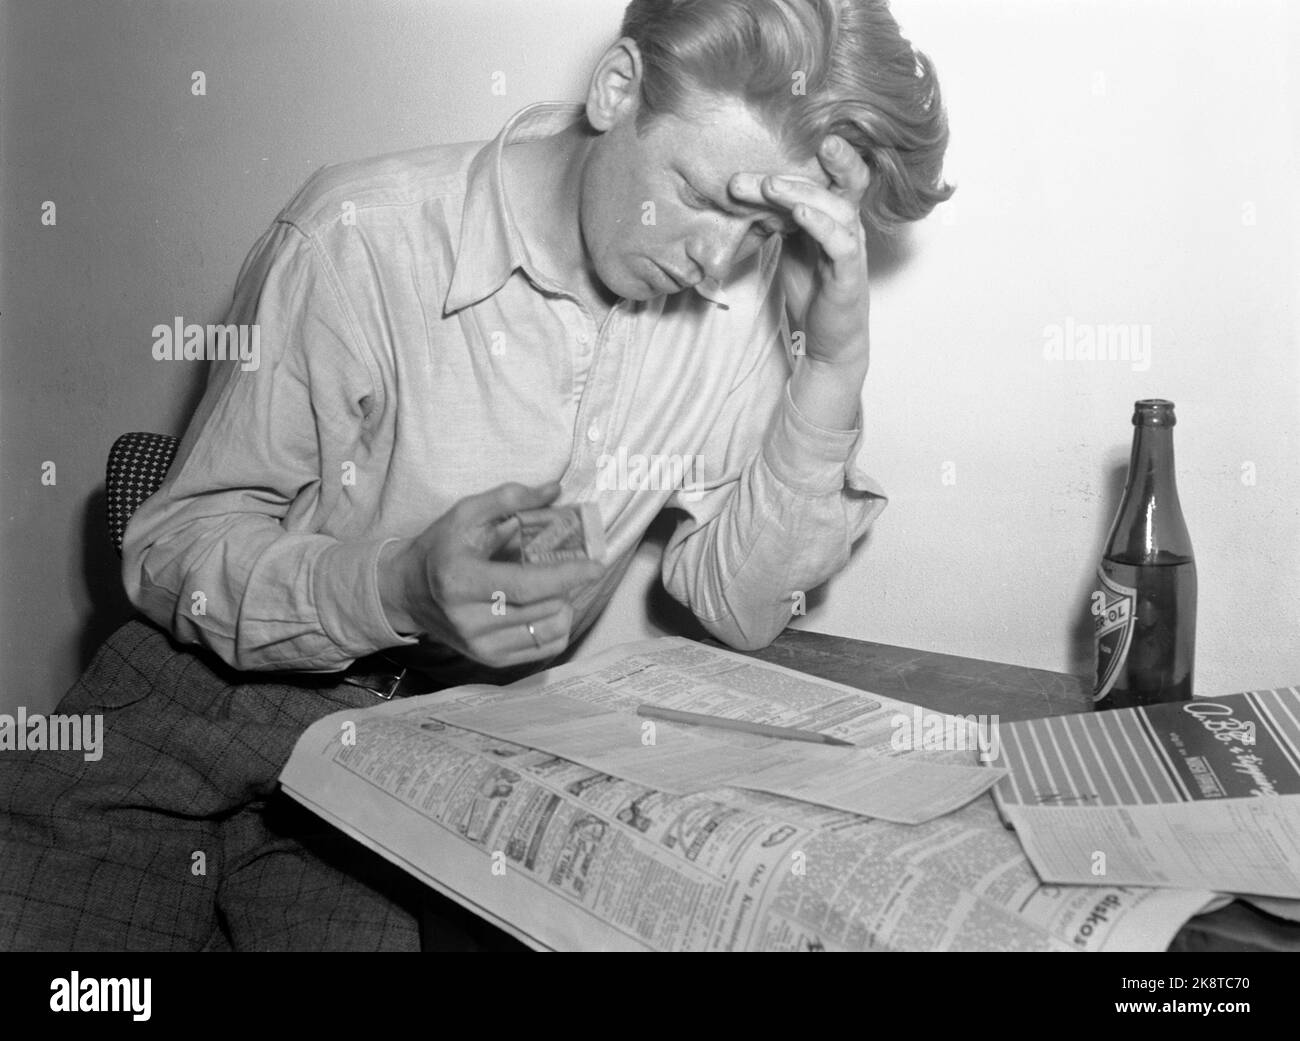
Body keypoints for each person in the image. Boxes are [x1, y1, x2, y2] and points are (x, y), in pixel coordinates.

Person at [0, 0, 951, 951]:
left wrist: (831, 364)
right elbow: (173, 547)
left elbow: (740, 606)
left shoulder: (731, 307)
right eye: (704, 198)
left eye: (762, 230)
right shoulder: (357, 238)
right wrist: (398, 584)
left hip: (410, 767)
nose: (718, 256)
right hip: (190, 715)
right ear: (617, 90)